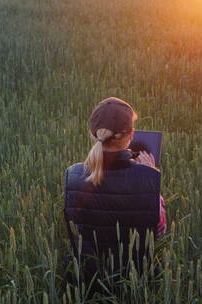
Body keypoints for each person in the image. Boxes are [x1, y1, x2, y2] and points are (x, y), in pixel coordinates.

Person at [63, 97, 166, 295]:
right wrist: (151, 179)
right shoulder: (148, 176)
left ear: (94, 134)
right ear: (131, 136)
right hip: (134, 280)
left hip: (86, 280)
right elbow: (159, 232)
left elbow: (75, 228)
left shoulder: (72, 174)